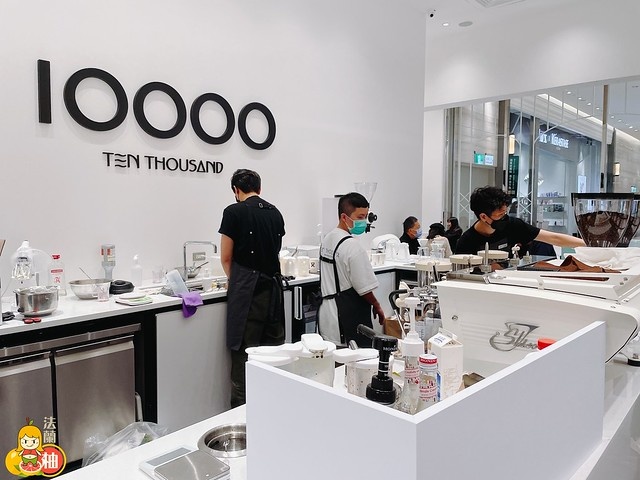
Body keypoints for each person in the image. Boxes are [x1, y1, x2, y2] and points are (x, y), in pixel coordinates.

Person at [219, 168, 286, 408]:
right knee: (272, 354)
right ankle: (272, 410)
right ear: (259, 188)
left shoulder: (233, 212)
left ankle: (242, 416)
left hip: (248, 294)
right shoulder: (275, 213)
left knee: (244, 357)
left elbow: (226, 258)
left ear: (236, 190)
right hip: (273, 293)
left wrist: (236, 280)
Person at [318, 192, 385, 347]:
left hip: (327, 316)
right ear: (344, 217)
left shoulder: (327, 239)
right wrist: (377, 305)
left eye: (366, 217)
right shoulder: (352, 247)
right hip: (347, 319)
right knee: (354, 359)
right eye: (360, 217)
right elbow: (364, 288)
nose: (364, 221)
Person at [455, 186, 585, 256]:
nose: (504, 217)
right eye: (500, 214)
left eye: (505, 212)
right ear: (483, 217)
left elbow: (554, 238)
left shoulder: (513, 225)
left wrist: (589, 244)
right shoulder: (466, 242)